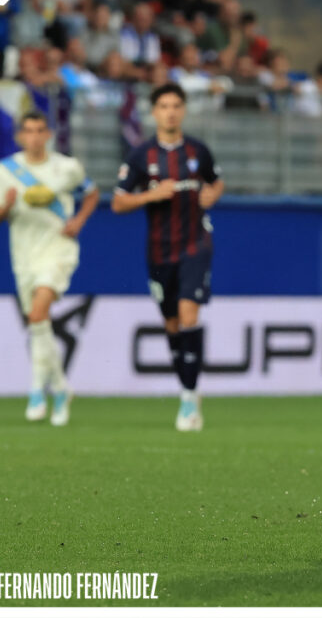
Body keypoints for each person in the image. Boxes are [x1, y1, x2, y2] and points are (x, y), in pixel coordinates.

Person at [111, 84, 224, 431]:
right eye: (164, 106)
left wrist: (211, 195)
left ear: (183, 110)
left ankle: (189, 397)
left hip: (196, 244)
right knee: (172, 325)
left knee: (189, 315)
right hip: (159, 250)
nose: (170, 112)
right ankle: (187, 388)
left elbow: (216, 182)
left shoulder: (198, 151)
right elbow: (118, 202)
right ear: (154, 112)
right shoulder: (140, 156)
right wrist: (150, 195)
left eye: (176, 105)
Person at [0, 112, 99, 425]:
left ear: (48, 135)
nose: (34, 137)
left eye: (40, 131)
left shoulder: (67, 167)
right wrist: (7, 206)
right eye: (29, 131)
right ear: (20, 136)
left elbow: (92, 193)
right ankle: (60, 388)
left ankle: (37, 389)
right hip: (24, 254)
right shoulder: (6, 170)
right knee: (38, 322)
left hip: (58, 248)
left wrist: (78, 221)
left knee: (38, 314)